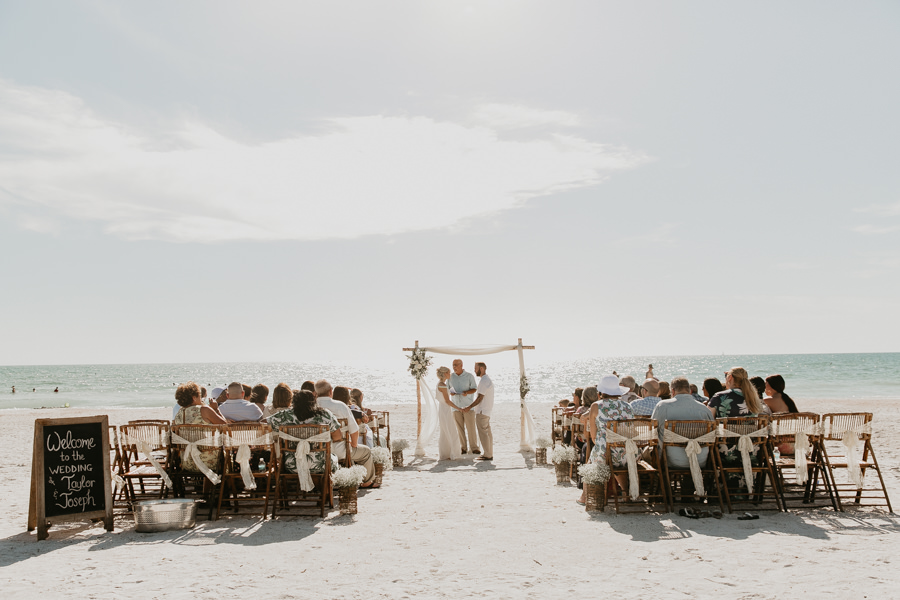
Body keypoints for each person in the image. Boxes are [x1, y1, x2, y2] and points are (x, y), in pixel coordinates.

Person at [578, 378, 634, 504]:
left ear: (601, 392)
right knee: (619, 463)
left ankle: (584, 497)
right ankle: (625, 494)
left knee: (591, 462)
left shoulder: (596, 406)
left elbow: (593, 436)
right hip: (627, 453)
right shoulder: (628, 407)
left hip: (605, 453)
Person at [315, 379, 377, 487]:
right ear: (330, 391)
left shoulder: (311, 407)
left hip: (317, 451)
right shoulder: (341, 406)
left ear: (315, 393)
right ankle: (367, 482)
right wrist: (353, 445)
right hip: (341, 450)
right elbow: (354, 430)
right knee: (366, 452)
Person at [268, 389, 341, 475]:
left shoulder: (284, 415)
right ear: (314, 401)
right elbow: (338, 437)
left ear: (293, 402)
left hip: (292, 465)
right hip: (321, 464)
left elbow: (265, 423)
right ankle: (324, 485)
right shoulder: (325, 414)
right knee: (334, 457)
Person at [651, 377, 714, 472]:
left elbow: (652, 431)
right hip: (700, 460)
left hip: (671, 460)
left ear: (672, 390)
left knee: (647, 452)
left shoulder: (662, 406)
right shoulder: (704, 409)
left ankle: (658, 483)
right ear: (689, 391)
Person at [173, 381, 227, 473]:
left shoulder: (180, 413)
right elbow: (225, 426)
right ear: (194, 398)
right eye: (199, 396)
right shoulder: (204, 409)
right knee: (227, 454)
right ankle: (224, 485)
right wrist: (216, 409)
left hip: (187, 461)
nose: (202, 399)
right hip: (207, 460)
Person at [449, 359, 479, 454]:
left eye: (456, 365)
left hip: (468, 406)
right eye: (453, 365)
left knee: (471, 428)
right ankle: (463, 448)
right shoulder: (450, 377)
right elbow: (448, 389)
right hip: (456, 407)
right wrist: (451, 393)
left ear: (461, 365)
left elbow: (474, 388)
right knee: (459, 429)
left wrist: (466, 392)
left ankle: (474, 448)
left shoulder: (469, 376)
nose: (454, 367)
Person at [465, 362, 494, 461]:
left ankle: (487, 454)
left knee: (483, 433)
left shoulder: (484, 381)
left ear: (481, 369)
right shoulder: (486, 379)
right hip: (486, 410)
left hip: (482, 411)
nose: (474, 370)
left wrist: (469, 406)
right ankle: (489, 453)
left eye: (475, 368)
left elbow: (479, 397)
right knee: (487, 433)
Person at [435, 366, 462, 461]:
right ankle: (452, 453)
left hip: (444, 409)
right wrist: (458, 408)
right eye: (448, 373)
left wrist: (456, 393)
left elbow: (450, 392)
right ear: (445, 374)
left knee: (445, 430)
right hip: (445, 409)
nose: (450, 374)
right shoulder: (442, 385)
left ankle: (446, 453)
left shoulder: (443, 384)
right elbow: (447, 400)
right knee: (450, 430)